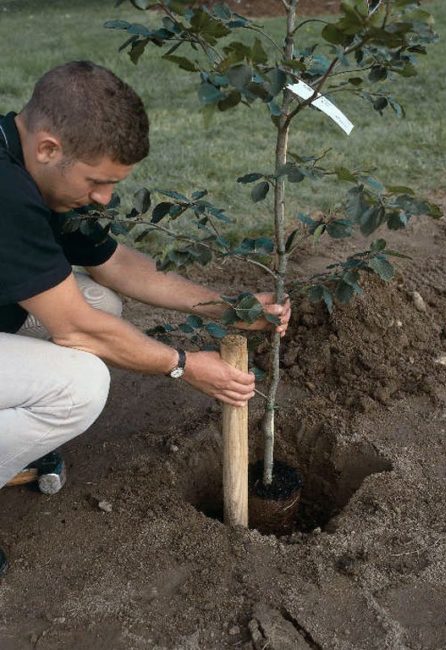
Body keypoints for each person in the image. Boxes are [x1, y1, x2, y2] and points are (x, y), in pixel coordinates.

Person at [0, 61, 290, 577]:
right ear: (48, 148)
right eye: (98, 181)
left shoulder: (35, 169)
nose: (104, 199)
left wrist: (231, 307)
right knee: (79, 385)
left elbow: (118, 267)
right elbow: (76, 330)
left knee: (99, 305)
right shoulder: (7, 195)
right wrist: (183, 365)